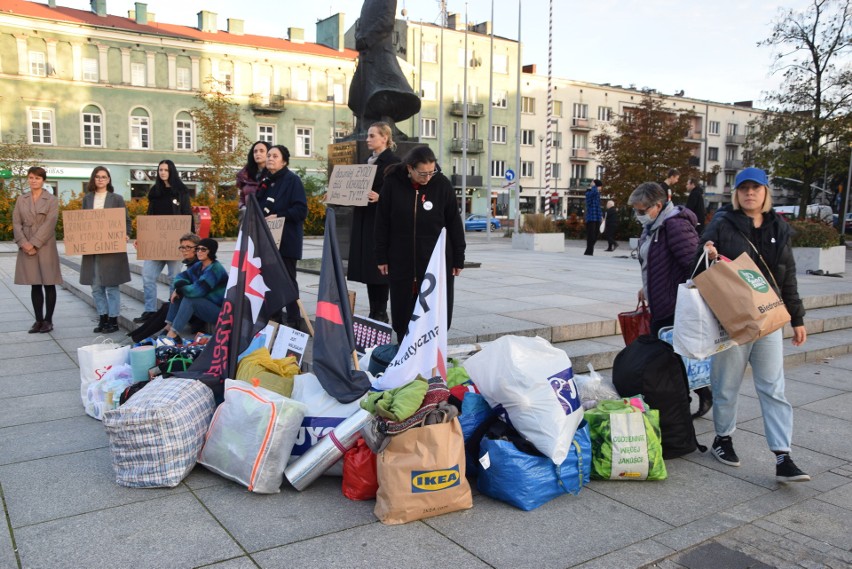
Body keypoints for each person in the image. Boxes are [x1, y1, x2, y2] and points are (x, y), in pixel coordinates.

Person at [696, 167, 809, 483]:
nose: (749, 193)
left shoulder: (779, 227)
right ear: (737, 193)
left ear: (765, 193)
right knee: (726, 384)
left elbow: (788, 276)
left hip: (768, 318)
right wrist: (708, 249)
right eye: (744, 188)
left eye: (755, 188)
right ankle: (723, 439)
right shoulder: (723, 221)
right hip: (733, 318)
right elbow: (702, 248)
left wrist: (797, 318)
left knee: (773, 387)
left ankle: (783, 455)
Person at [628, 182, 712, 417]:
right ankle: (683, 401)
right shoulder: (654, 226)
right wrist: (646, 287)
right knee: (671, 358)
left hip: (675, 305)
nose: (638, 215)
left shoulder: (674, 225)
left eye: (642, 210)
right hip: (660, 300)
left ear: (658, 205)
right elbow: (655, 261)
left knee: (673, 358)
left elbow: (692, 264)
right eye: (636, 210)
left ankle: (694, 397)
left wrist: (684, 298)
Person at [374, 145, 466, 341]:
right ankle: (403, 348)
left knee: (434, 309)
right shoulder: (392, 183)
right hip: (401, 259)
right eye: (423, 173)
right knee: (403, 309)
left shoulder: (442, 185)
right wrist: (381, 255)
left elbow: (454, 224)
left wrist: (459, 257)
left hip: (435, 261)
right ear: (409, 168)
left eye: (431, 172)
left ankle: (432, 351)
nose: (428, 178)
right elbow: (382, 222)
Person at [348, 122, 400, 323]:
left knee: (380, 269)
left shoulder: (393, 162)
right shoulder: (366, 161)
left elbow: (399, 193)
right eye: (368, 136)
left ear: (384, 138)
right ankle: (374, 311)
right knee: (370, 269)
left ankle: (380, 312)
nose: (367, 139)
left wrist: (381, 198)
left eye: (371, 136)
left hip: (380, 222)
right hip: (364, 220)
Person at [348, 0, 421, 136]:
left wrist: (366, 39)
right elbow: (361, 23)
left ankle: (386, 126)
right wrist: (359, 36)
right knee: (359, 94)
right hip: (366, 55)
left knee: (386, 90)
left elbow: (386, 21)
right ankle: (363, 126)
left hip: (380, 52)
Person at [134, 159, 194, 324]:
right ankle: (150, 311)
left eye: (166, 170)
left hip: (176, 243)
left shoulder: (181, 191)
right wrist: (142, 238)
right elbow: (149, 217)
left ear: (171, 171)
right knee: (147, 276)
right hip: (156, 243)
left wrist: (191, 241)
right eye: (160, 170)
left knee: (174, 279)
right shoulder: (155, 191)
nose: (162, 172)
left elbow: (187, 215)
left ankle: (170, 313)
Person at [256, 145, 308, 329]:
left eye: (274, 156)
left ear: (284, 161)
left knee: (286, 280)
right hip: (268, 241)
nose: (270, 158)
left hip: (286, 240)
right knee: (269, 280)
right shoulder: (265, 181)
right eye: (268, 155)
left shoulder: (292, 180)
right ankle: (274, 317)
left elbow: (301, 210)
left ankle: (294, 320)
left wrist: (278, 216)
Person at [79, 167, 131, 334]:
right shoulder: (87, 199)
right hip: (93, 249)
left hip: (111, 249)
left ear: (108, 180)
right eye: (97, 177)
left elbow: (126, 220)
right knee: (96, 286)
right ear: (93, 179)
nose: (100, 179)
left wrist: (126, 235)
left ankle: (113, 320)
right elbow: (81, 222)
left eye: (104, 177)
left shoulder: (116, 199)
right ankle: (103, 317)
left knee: (111, 285)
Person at [13, 166, 62, 333]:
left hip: (45, 245)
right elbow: (16, 222)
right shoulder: (21, 199)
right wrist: (24, 243)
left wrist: (34, 243)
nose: (34, 180)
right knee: (34, 284)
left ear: (43, 180)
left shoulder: (52, 199)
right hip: (26, 244)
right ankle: (38, 320)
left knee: (49, 283)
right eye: (31, 177)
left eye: (37, 178)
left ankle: (48, 320)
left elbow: (50, 222)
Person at [162, 238, 228, 343]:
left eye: (203, 249)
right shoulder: (199, 265)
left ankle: (173, 333)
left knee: (188, 298)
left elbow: (197, 291)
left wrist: (179, 289)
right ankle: (168, 327)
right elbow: (180, 277)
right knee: (180, 293)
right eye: (198, 249)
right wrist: (179, 288)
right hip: (205, 304)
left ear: (211, 251)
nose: (199, 252)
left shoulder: (215, 269)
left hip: (219, 312)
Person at [237, 141, 270, 213]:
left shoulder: (273, 174)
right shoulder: (246, 175)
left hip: (267, 217)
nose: (258, 153)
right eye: (255, 151)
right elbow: (242, 197)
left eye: (261, 151)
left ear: (268, 154)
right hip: (249, 217)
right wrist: (242, 207)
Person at [584, 179, 603, 256]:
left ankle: (588, 250)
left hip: (597, 217)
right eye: (600, 186)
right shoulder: (589, 192)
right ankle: (589, 252)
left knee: (596, 234)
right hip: (591, 217)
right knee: (591, 235)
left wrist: (601, 216)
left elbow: (598, 206)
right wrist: (594, 185)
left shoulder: (597, 193)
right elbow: (593, 192)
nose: (601, 188)